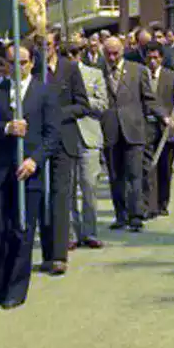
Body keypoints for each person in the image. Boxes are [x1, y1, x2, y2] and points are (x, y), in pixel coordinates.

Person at [0, 41, 57, 309]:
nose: (17, 67)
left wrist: (35, 160)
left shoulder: (43, 93)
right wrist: (7, 127)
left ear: (31, 63)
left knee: (21, 232)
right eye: (11, 62)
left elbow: (52, 134)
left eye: (22, 62)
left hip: (27, 173)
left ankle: (15, 290)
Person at [38, 30, 89, 276]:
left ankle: (59, 255)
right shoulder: (32, 69)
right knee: (40, 197)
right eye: (40, 45)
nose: (44, 49)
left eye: (47, 45)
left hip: (63, 139)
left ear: (56, 46)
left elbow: (83, 105)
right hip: (38, 141)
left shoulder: (69, 68)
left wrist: (59, 114)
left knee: (60, 196)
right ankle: (46, 253)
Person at [101, 35, 156, 232]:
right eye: (108, 54)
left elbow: (148, 99)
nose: (112, 58)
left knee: (134, 175)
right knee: (115, 176)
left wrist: (160, 119)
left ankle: (136, 216)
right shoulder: (98, 72)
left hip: (134, 130)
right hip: (110, 130)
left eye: (115, 53)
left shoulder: (138, 70)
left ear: (122, 51)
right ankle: (121, 215)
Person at [67, 40, 107, 251]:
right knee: (69, 188)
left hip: (89, 137)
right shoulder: (59, 77)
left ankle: (90, 232)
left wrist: (81, 101)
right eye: (68, 53)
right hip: (67, 136)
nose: (72, 57)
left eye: (75, 53)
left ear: (81, 54)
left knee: (89, 186)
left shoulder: (94, 74)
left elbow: (103, 104)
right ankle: (72, 234)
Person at [145, 44, 174, 217]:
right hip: (146, 129)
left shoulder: (172, 77)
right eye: (149, 58)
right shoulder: (141, 76)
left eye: (156, 58)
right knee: (149, 168)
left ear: (161, 58)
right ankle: (151, 205)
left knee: (165, 168)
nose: (153, 61)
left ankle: (163, 202)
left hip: (167, 131)